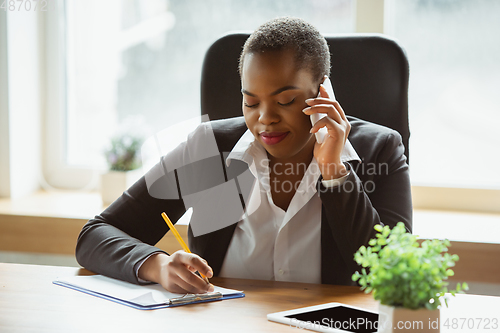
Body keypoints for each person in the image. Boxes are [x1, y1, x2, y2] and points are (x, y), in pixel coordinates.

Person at [76, 17, 412, 295]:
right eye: (251, 102)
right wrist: (158, 266)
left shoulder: (380, 150)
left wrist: (334, 172)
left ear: (322, 93)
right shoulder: (211, 149)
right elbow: (95, 235)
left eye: (285, 101)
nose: (265, 118)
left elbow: (393, 277)